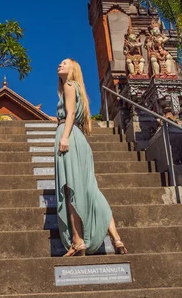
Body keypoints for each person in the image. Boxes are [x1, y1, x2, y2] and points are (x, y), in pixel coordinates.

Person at [55, 58, 127, 257]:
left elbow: (69, 114)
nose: (59, 65)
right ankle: (117, 239)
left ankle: (78, 242)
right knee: (90, 190)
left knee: (70, 189)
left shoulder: (69, 84)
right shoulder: (76, 88)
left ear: (73, 69)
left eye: (64, 63)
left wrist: (64, 137)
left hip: (70, 137)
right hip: (79, 139)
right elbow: (68, 114)